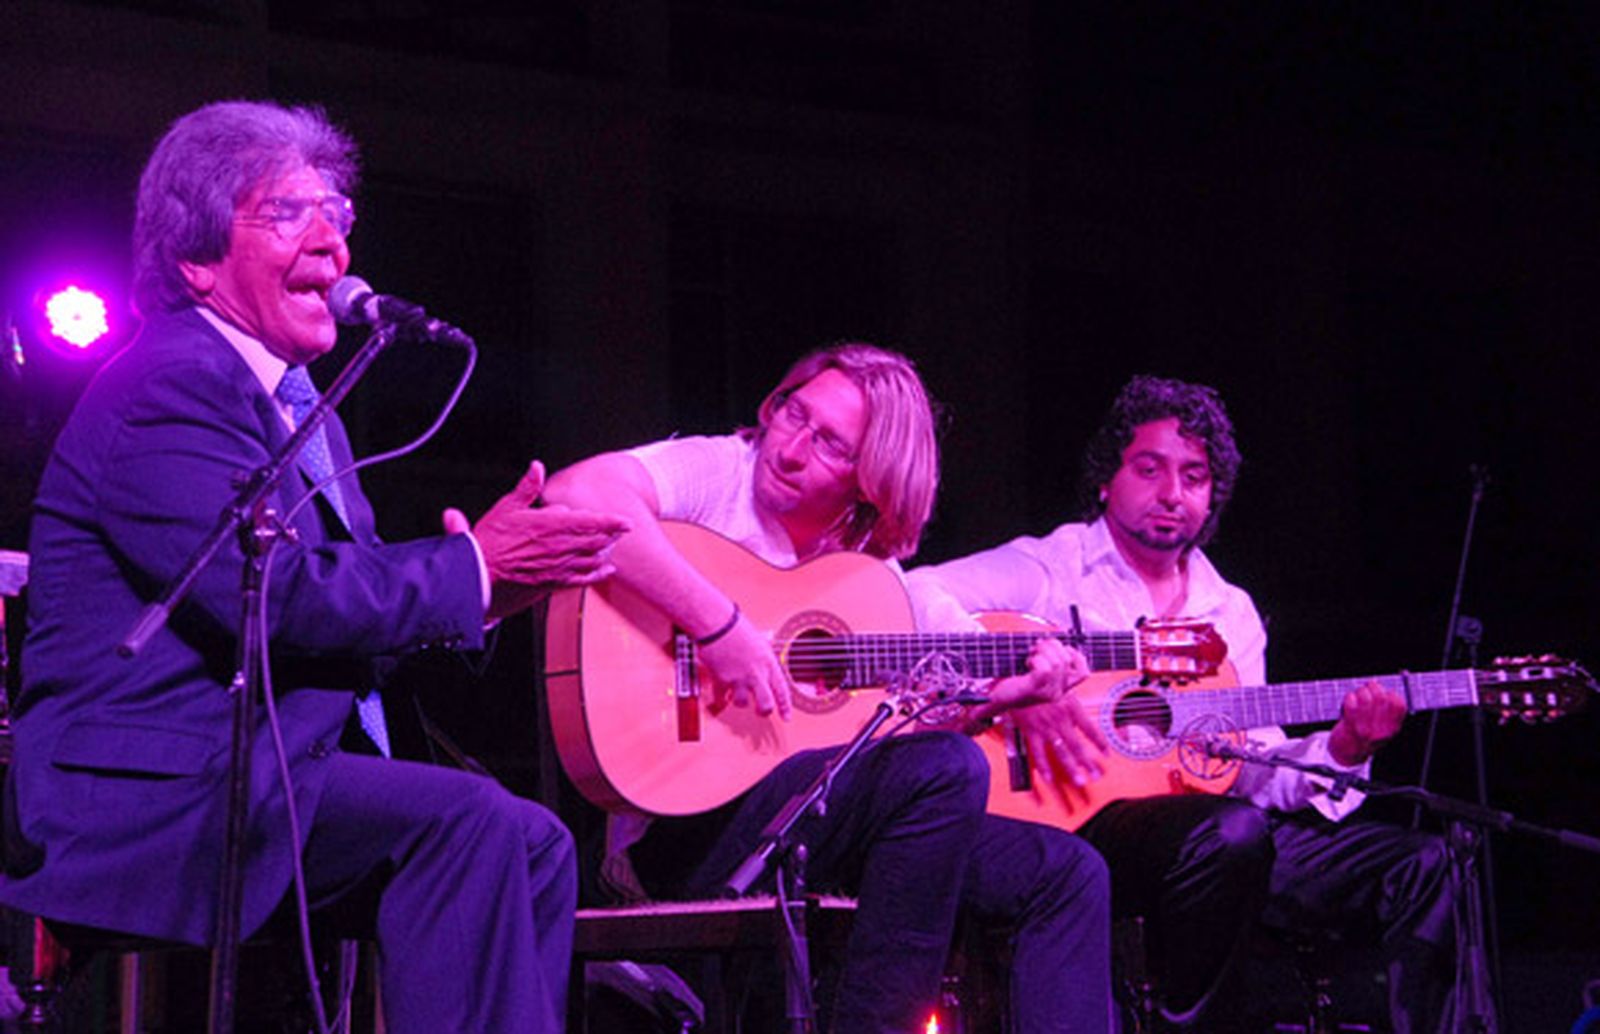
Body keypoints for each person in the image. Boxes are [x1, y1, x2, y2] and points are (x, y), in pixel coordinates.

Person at [0, 100, 629, 1032]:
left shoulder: (310, 413)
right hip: (147, 795)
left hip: (272, 773)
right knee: (480, 827)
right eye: (291, 214)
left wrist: (494, 590)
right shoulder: (170, 380)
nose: (334, 247)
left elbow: (349, 616)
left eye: (338, 213)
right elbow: (272, 601)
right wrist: (471, 569)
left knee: (530, 841)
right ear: (196, 260)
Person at [543, 343, 1114, 1034]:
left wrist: (1010, 693)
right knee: (946, 773)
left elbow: (924, 723)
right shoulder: (723, 468)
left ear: (874, 479)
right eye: (793, 415)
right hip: (683, 831)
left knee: (1066, 872)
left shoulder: (876, 575)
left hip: (815, 832)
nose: (790, 450)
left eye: (831, 446)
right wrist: (719, 626)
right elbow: (575, 494)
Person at [907, 375, 1456, 1032]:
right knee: (1229, 833)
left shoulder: (1230, 612)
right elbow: (914, 597)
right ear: (1107, 479)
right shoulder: (1054, 566)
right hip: (1080, 822)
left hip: (1210, 837)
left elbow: (1246, 769)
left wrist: (1344, 748)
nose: (1172, 495)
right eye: (1150, 469)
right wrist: (1017, 688)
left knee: (1424, 863)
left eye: (1194, 478)